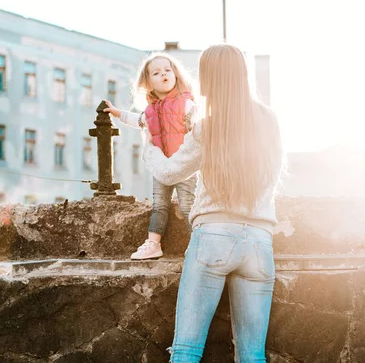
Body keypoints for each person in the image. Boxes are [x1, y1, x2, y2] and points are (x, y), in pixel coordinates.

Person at [142, 44, 283, 362]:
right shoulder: (270, 121)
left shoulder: (207, 126)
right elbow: (272, 177)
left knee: (187, 350)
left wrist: (149, 144)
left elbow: (169, 172)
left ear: (210, 80)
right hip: (260, 242)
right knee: (252, 356)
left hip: (214, 238)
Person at [104, 52, 198, 260]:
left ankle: (198, 243)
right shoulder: (149, 111)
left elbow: (199, 129)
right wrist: (116, 113)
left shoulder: (186, 104)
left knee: (187, 205)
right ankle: (154, 243)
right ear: (148, 82)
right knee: (159, 206)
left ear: (176, 75)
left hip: (185, 166)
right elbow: (136, 120)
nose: (163, 74)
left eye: (167, 70)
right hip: (161, 166)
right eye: (156, 73)